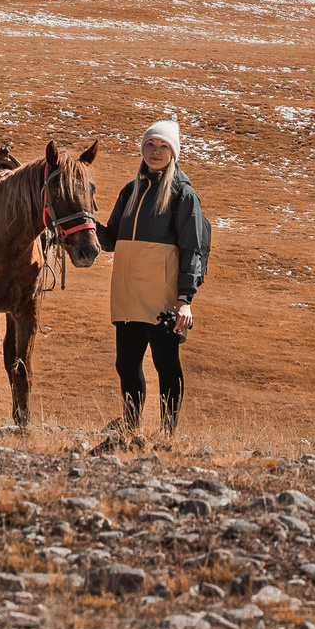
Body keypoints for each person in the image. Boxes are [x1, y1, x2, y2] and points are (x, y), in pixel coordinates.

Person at [96, 118, 211, 440]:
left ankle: (167, 435)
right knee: (126, 364)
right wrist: (87, 225)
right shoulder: (130, 191)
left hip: (164, 298)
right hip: (128, 293)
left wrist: (185, 300)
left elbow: (193, 249)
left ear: (173, 152)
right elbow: (112, 239)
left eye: (162, 146)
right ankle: (131, 430)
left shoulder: (183, 195)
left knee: (166, 364)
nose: (155, 151)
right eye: (150, 145)